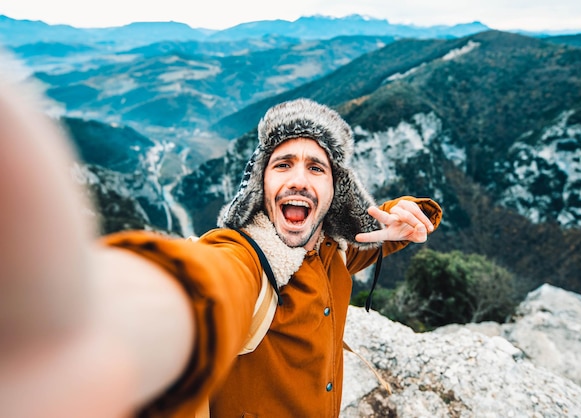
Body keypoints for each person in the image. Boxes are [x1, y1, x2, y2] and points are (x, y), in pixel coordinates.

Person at [0, 74, 441, 417]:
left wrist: (409, 213)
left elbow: (369, 239)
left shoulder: (334, 246)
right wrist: (98, 327)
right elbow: (207, 284)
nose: (299, 179)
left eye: (316, 168)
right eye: (283, 163)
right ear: (261, 184)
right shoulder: (247, 256)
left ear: (336, 193)